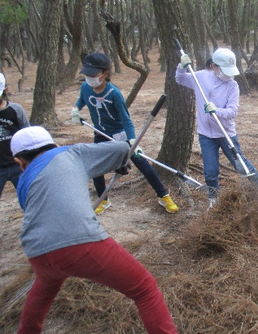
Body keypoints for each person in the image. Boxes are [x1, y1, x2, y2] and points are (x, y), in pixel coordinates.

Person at [10, 126, 178, 334]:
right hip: (79, 241)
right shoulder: (71, 152)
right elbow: (123, 148)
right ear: (56, 145)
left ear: (19, 163)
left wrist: (114, 165)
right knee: (144, 288)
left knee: (45, 288)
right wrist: (121, 162)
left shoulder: (23, 184)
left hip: (37, 250)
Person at [71, 52, 178, 214]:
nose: (89, 78)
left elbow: (126, 120)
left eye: (93, 74)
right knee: (97, 168)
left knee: (143, 166)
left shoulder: (114, 93)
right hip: (100, 133)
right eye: (86, 74)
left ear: (105, 73)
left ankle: (163, 196)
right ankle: (103, 199)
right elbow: (82, 99)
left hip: (120, 135)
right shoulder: (86, 87)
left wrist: (132, 141)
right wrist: (76, 110)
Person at [175, 48, 258, 209]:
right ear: (214, 66)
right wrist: (181, 66)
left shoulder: (233, 86)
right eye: (224, 70)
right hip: (206, 134)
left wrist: (216, 110)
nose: (229, 75)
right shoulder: (201, 78)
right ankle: (214, 198)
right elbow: (180, 78)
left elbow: (232, 111)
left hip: (226, 133)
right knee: (210, 171)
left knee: (239, 163)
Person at [0, 72, 30, 198]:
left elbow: (27, 134)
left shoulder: (15, 110)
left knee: (29, 198)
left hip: (17, 164)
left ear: (5, 91)